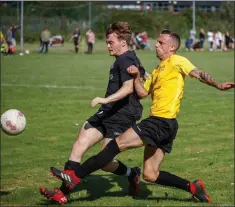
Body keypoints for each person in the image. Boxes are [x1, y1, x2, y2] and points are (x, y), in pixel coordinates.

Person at [50, 29, 234, 204]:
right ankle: (193, 187)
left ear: (171, 47)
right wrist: (137, 75)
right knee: (150, 174)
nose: (156, 45)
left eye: (161, 42)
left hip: (159, 122)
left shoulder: (178, 60)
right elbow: (143, 93)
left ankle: (74, 177)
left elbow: (198, 73)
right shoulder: (157, 70)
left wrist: (217, 84)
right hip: (167, 126)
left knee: (114, 146)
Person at [40, 21, 147, 204]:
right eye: (106, 42)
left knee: (105, 164)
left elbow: (129, 87)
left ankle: (132, 174)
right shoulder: (127, 58)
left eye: (110, 42)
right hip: (106, 112)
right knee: (79, 144)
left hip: (121, 116)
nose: (107, 45)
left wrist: (105, 99)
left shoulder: (126, 59)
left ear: (122, 42)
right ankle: (63, 193)